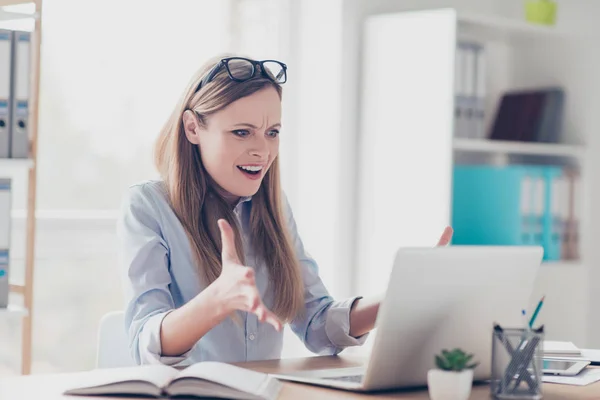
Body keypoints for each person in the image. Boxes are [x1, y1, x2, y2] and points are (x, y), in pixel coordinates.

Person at [117, 55, 453, 366]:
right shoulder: (148, 207)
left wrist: (399, 296)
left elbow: (318, 324)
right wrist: (216, 300)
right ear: (192, 128)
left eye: (272, 133)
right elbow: (142, 345)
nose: (262, 150)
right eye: (241, 132)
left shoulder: (273, 207)